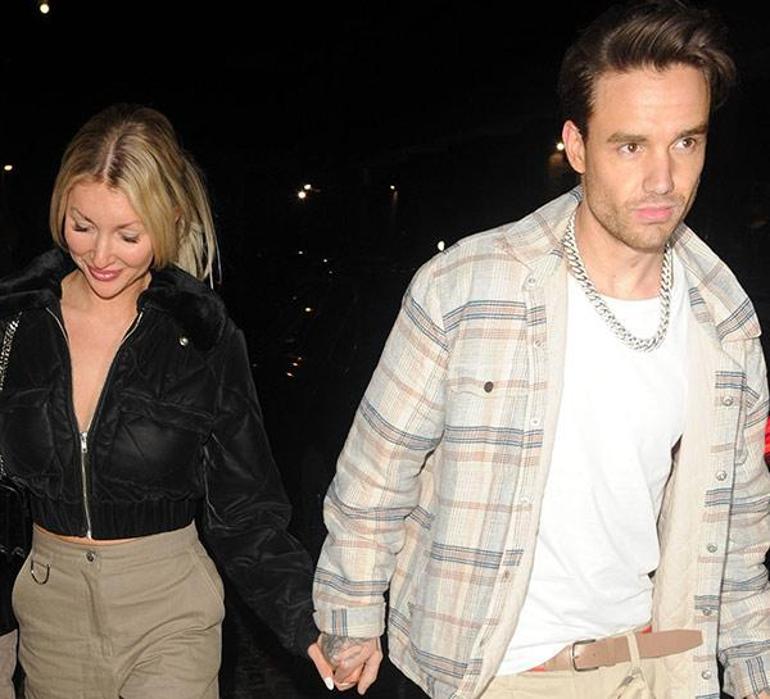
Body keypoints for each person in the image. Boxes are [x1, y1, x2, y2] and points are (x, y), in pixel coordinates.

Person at [312, 1, 770, 697]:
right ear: (577, 146)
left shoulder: (725, 322)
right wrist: (350, 619)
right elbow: (376, 474)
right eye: (630, 146)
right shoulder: (468, 286)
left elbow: (738, 526)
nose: (662, 179)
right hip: (494, 672)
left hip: (652, 666)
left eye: (685, 142)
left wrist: (754, 667)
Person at [0, 104, 333, 698]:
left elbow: (246, 506)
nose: (102, 255)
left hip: (169, 607)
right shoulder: (16, 322)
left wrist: (307, 620)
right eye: (82, 226)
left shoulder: (200, 334)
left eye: (129, 235)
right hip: (49, 612)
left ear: (170, 220)